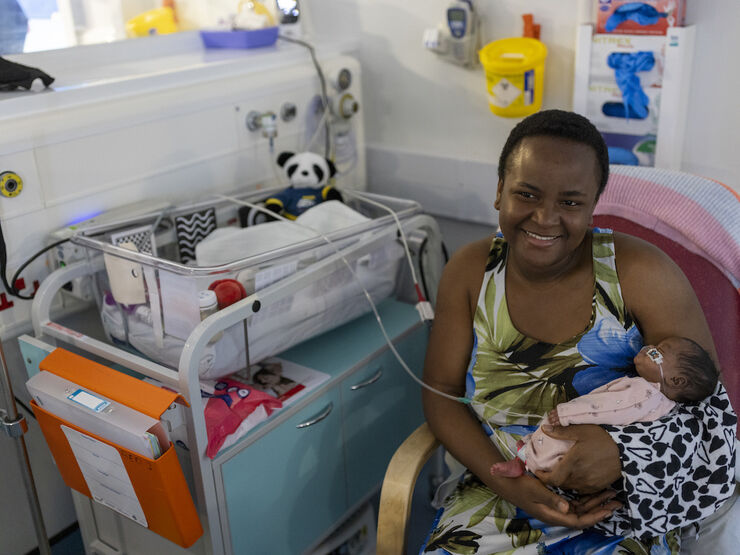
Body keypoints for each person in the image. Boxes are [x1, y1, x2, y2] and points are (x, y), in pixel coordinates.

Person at [421, 110, 737, 554]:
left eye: (570, 202)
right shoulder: (471, 272)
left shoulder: (641, 273)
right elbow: (439, 390)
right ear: (499, 192)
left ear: (594, 203)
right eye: (526, 194)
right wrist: (511, 485)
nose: (545, 218)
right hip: (500, 493)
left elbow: (708, 408)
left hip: (624, 504)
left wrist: (623, 452)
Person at [490, 337, 718, 478]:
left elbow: (607, 408)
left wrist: (566, 413)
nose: (648, 347)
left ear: (676, 381)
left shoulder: (644, 392)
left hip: (583, 434)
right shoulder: (661, 404)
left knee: (552, 442)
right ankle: (524, 460)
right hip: (597, 449)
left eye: (657, 352)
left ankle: (525, 462)